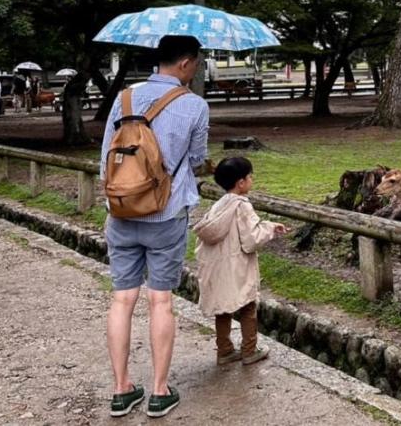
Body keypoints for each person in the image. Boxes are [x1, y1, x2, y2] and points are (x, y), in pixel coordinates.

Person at [100, 35, 209, 418]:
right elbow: (196, 158)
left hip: (121, 211)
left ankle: (121, 389)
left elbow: (106, 157)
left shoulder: (124, 98)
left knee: (122, 299)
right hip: (166, 213)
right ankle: (160, 392)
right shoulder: (194, 105)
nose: (195, 70)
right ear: (184, 64)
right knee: (160, 300)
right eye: (195, 63)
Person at [193, 157, 286, 367]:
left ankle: (224, 350)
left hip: (219, 267)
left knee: (223, 309)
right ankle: (249, 350)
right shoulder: (242, 206)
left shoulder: (219, 205)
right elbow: (251, 239)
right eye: (250, 176)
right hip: (237, 267)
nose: (252, 180)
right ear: (241, 182)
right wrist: (270, 228)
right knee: (248, 306)